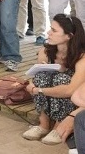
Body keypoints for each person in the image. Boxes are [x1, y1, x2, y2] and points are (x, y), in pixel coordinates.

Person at [25, 14, 85, 145]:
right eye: (50, 28)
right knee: (41, 76)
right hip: (52, 94)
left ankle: (58, 126)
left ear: (69, 36)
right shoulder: (46, 51)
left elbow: (70, 90)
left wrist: (37, 90)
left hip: (77, 101)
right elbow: (36, 74)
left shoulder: (82, 57)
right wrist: (33, 84)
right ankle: (44, 125)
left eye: (54, 30)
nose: (48, 32)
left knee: (62, 79)